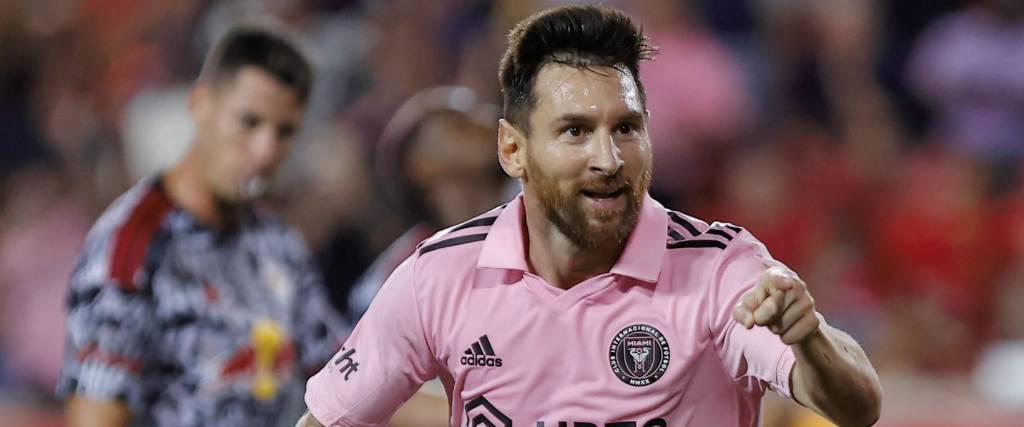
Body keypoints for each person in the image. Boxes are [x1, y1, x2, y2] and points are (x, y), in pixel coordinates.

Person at [297, 5, 882, 427]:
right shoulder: (438, 275)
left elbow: (855, 407)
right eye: (575, 132)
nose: (608, 159)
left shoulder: (720, 268)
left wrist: (810, 340)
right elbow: (328, 418)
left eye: (626, 129)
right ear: (512, 150)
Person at [57, 21, 348, 427]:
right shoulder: (131, 248)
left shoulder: (278, 243)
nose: (265, 151)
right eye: (249, 122)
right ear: (200, 105)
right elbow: (95, 418)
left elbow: (349, 383)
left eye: (284, 132)